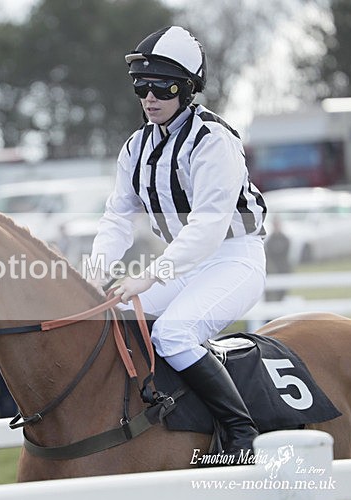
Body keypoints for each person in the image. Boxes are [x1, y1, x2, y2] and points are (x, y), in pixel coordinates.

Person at [87, 26, 268, 464]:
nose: (149, 98)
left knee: (173, 332)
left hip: (234, 259)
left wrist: (149, 275)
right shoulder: (135, 147)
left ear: (186, 89)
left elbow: (207, 228)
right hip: (185, 264)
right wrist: (93, 273)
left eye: (161, 87)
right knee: (120, 319)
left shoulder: (213, 140)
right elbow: (117, 217)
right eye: (141, 87)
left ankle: (242, 435)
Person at [264, 216, 291, 301]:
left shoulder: (285, 239)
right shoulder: (270, 240)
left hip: (282, 269)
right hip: (272, 270)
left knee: (282, 294)